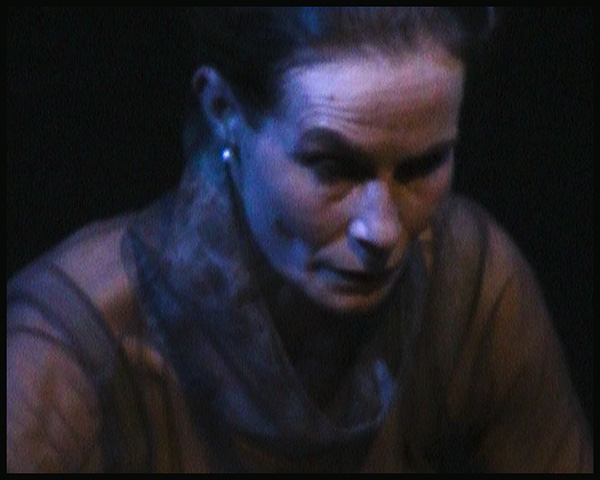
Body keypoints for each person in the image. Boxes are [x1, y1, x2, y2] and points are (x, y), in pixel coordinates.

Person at [6, 7, 592, 473]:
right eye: (333, 168)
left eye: (423, 167)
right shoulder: (73, 346)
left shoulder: (469, 288)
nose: (383, 231)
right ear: (222, 109)